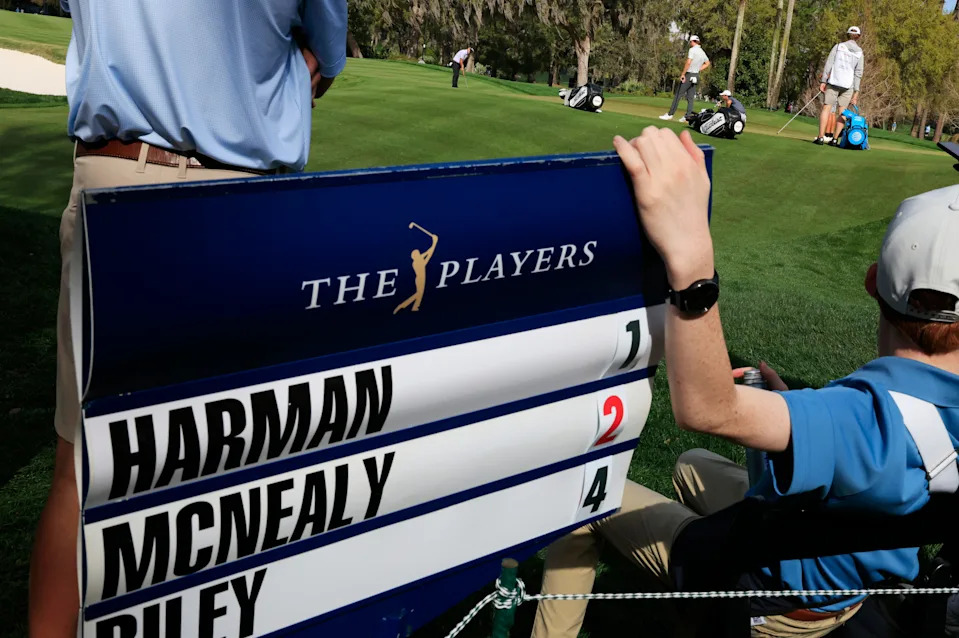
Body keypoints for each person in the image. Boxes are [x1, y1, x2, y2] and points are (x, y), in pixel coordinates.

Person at [531, 125, 959, 638]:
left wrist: (690, 259)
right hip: (849, 575)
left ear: (873, 281)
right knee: (692, 466)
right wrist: (788, 403)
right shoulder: (864, 420)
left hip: (782, 603)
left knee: (584, 498)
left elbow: (709, 409)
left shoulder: (861, 422)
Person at [29, 1, 346, 636]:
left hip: (114, 176)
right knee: (231, 467)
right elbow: (325, 57)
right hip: (242, 200)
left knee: (81, 469)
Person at [815, 26, 865, 145]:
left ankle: (821, 137)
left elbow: (829, 64)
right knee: (843, 112)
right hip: (848, 86)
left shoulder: (838, 47)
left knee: (827, 108)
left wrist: (823, 81)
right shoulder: (859, 52)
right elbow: (858, 73)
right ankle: (835, 139)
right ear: (858, 37)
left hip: (834, 82)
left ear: (847, 35)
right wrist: (856, 92)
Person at [660, 35, 710, 123]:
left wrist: (683, 74)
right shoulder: (702, 52)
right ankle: (688, 117)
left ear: (692, 42)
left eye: (690, 42)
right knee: (690, 97)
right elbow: (707, 63)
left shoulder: (692, 50)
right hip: (696, 75)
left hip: (689, 75)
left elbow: (688, 62)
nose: (690, 43)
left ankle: (670, 114)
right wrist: (698, 69)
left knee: (678, 95)